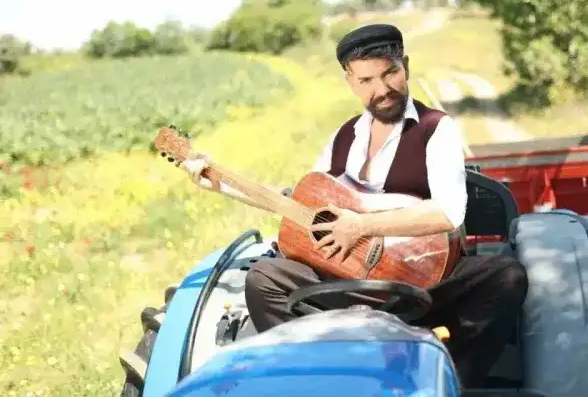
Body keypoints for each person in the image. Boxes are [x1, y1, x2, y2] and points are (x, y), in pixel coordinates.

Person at [180, 23, 528, 388]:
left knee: (506, 277)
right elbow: (301, 203)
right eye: (366, 81)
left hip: (424, 282)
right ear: (351, 83)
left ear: (406, 67)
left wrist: (361, 226)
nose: (382, 89)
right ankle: (322, 383)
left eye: (390, 73)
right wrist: (222, 184)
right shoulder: (344, 137)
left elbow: (448, 212)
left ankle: (445, 381)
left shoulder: (435, 128)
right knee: (263, 278)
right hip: (348, 280)